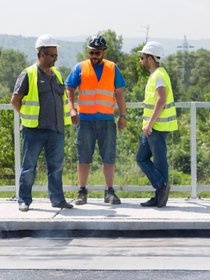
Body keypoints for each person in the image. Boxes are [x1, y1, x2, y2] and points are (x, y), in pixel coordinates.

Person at [11, 33, 73, 212]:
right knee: (29, 167)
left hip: (56, 130)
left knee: (56, 167)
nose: (55, 59)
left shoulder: (57, 75)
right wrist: (26, 116)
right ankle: (24, 200)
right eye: (53, 55)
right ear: (43, 54)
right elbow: (15, 100)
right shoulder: (28, 74)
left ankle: (58, 200)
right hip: (34, 130)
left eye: (56, 55)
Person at [65, 34, 127, 205]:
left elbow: (120, 93)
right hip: (84, 120)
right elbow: (69, 88)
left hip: (107, 120)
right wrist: (72, 109)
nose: (93, 56)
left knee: (109, 157)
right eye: (91, 52)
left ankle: (109, 192)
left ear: (104, 52)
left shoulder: (113, 68)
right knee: (83, 157)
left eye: (97, 53)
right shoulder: (80, 67)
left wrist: (122, 116)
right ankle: (82, 192)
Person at [136, 41, 178, 208]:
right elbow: (156, 99)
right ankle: (160, 192)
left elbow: (161, 100)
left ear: (151, 59)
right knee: (142, 158)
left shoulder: (159, 75)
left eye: (142, 57)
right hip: (153, 127)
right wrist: (147, 102)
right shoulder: (156, 75)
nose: (140, 60)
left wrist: (150, 124)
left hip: (157, 127)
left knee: (158, 162)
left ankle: (161, 191)